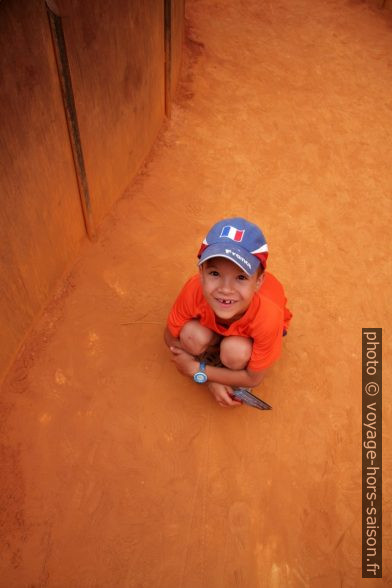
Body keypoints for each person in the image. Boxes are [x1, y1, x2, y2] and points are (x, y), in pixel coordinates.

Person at [164, 217, 292, 408]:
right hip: (220, 326)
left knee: (235, 352)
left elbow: (253, 378)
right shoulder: (194, 289)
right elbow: (169, 335)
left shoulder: (268, 316)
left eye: (240, 277)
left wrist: (197, 370)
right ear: (201, 272)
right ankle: (220, 359)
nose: (225, 289)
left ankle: (222, 357)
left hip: (245, 337)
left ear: (258, 282)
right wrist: (209, 378)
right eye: (215, 274)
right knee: (191, 336)